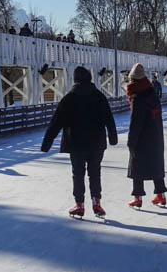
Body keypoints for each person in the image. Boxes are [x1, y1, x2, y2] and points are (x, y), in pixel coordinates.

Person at [42, 66, 118, 218]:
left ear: (75, 79)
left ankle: (79, 205)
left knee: (78, 174)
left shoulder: (69, 98)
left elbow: (56, 121)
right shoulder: (99, 97)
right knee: (95, 173)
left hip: (76, 143)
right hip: (96, 142)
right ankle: (96, 202)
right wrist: (112, 137)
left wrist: (47, 143)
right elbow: (109, 118)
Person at [124, 64, 167, 208]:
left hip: (142, 138)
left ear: (133, 80)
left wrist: (131, 141)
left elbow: (135, 122)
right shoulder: (152, 94)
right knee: (156, 165)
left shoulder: (137, 97)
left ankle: (137, 197)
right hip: (156, 136)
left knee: (136, 166)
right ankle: (161, 195)